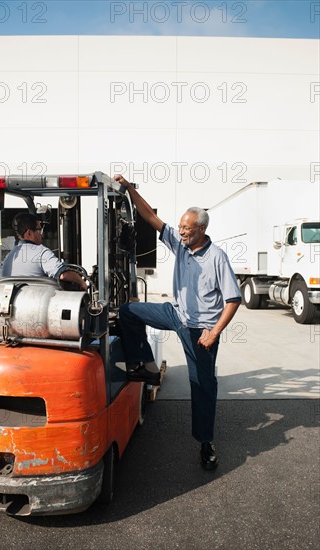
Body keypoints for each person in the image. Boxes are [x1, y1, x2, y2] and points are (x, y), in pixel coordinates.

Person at [114, 174, 241, 470]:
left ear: (201, 229)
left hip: (202, 330)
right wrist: (130, 189)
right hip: (176, 315)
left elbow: (233, 300)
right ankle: (144, 364)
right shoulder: (180, 244)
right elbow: (149, 217)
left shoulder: (217, 258)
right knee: (128, 312)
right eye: (180, 227)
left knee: (202, 386)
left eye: (186, 228)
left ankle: (205, 443)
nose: (181, 232)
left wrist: (214, 333)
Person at [2, 212, 87, 290]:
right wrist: (81, 282)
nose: (41, 234)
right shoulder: (41, 252)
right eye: (39, 230)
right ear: (29, 233)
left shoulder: (9, 257)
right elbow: (63, 275)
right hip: (40, 303)